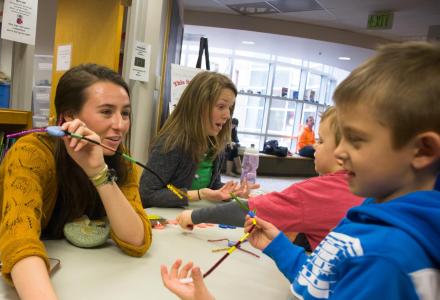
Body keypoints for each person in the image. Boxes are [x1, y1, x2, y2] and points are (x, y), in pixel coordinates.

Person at [161, 41, 440, 300]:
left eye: (357, 140)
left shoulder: (384, 260)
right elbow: (324, 279)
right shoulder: (371, 213)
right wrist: (279, 247)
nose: (342, 152)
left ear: (423, 150)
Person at [0, 64, 152, 299]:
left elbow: (136, 239)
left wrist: (98, 172)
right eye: (106, 112)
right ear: (69, 116)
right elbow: (19, 240)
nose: (120, 125)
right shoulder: (32, 152)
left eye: (125, 113)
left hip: (79, 272)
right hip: (0, 269)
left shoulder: (119, 159)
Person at [175, 106, 363, 250]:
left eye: (321, 141)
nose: (314, 146)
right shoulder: (367, 188)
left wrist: (193, 216)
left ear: (343, 152)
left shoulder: (318, 190)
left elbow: (248, 211)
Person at [139, 71, 243, 208]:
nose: (228, 115)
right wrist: (200, 195)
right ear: (198, 106)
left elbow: (213, 186)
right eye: (221, 107)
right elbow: (147, 194)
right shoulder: (171, 143)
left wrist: (233, 191)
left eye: (229, 108)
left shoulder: (214, 142)